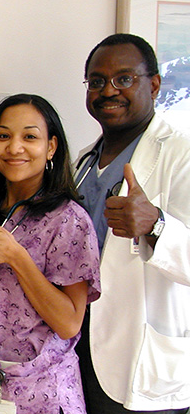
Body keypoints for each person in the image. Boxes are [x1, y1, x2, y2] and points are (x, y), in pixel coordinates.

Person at [0, 94, 101, 414]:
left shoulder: (70, 220)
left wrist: (16, 256)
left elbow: (68, 323)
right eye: (4, 136)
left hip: (45, 394)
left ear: (51, 147)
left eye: (30, 137)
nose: (14, 148)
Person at [74, 33, 190, 414]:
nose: (109, 91)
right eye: (96, 81)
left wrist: (155, 224)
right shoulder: (84, 161)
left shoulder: (181, 152)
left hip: (141, 357)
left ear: (154, 84)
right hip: (79, 347)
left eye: (124, 79)